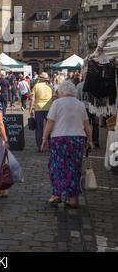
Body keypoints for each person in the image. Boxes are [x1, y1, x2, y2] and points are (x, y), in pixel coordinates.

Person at [41, 80, 93, 208]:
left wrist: (44, 139)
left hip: (60, 139)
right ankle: (72, 198)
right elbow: (87, 125)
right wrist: (90, 140)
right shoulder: (80, 104)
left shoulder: (57, 103)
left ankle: (56, 195)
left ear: (62, 91)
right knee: (74, 168)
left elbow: (50, 122)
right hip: (77, 139)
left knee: (56, 167)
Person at [29, 72, 56, 151]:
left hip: (38, 109)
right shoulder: (51, 87)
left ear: (40, 79)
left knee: (39, 128)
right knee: (50, 127)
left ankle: (40, 146)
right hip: (49, 109)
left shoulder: (36, 86)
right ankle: (51, 144)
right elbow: (54, 99)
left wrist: (30, 109)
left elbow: (32, 99)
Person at [76, 72, 100, 149]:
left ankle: (85, 140)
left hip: (84, 107)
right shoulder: (95, 85)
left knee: (85, 124)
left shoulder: (79, 85)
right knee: (95, 124)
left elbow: (77, 98)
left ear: (83, 77)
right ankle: (95, 140)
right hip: (94, 107)